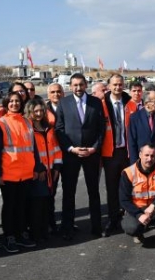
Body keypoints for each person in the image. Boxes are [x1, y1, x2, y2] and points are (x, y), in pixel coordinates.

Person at [0, 91, 45, 253]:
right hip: (8, 173)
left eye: (17, 101)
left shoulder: (27, 123)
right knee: (9, 207)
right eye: (11, 101)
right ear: (6, 103)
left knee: (21, 206)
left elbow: (33, 148)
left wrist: (37, 168)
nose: (14, 104)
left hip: (26, 173)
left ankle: (20, 234)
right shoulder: (0, 123)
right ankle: (10, 236)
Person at [54, 73, 106, 240]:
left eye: (81, 84)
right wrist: (71, 148)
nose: (78, 88)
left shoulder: (96, 103)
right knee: (69, 192)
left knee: (94, 191)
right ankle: (67, 227)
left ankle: (97, 226)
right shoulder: (63, 103)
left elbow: (101, 129)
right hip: (71, 154)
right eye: (75, 85)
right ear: (70, 86)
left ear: (86, 85)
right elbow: (59, 129)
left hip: (91, 153)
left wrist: (94, 148)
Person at [119, 143, 155, 249]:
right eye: (146, 155)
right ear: (140, 155)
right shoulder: (128, 172)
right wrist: (139, 215)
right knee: (130, 228)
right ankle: (138, 233)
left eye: (152, 156)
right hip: (137, 209)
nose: (149, 159)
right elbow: (123, 199)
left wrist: (153, 205)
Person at [101, 74, 133, 236]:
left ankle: (129, 217)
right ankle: (113, 219)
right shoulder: (102, 105)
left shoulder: (131, 104)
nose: (117, 87)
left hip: (127, 152)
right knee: (112, 188)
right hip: (110, 153)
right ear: (109, 86)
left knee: (128, 186)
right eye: (114, 84)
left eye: (120, 84)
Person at [26, 98, 62, 243]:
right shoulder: (28, 130)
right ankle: (36, 232)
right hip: (37, 172)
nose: (39, 113)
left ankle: (46, 229)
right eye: (36, 111)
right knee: (37, 204)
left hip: (50, 171)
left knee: (48, 201)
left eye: (41, 110)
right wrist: (37, 168)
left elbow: (56, 149)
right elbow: (28, 152)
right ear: (30, 112)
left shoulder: (49, 129)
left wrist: (57, 167)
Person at [45, 82, 63, 232]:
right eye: (53, 92)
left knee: (69, 191)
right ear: (48, 95)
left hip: (69, 154)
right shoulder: (43, 111)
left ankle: (67, 222)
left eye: (59, 91)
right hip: (52, 158)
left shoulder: (70, 107)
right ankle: (50, 223)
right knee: (50, 192)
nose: (56, 94)